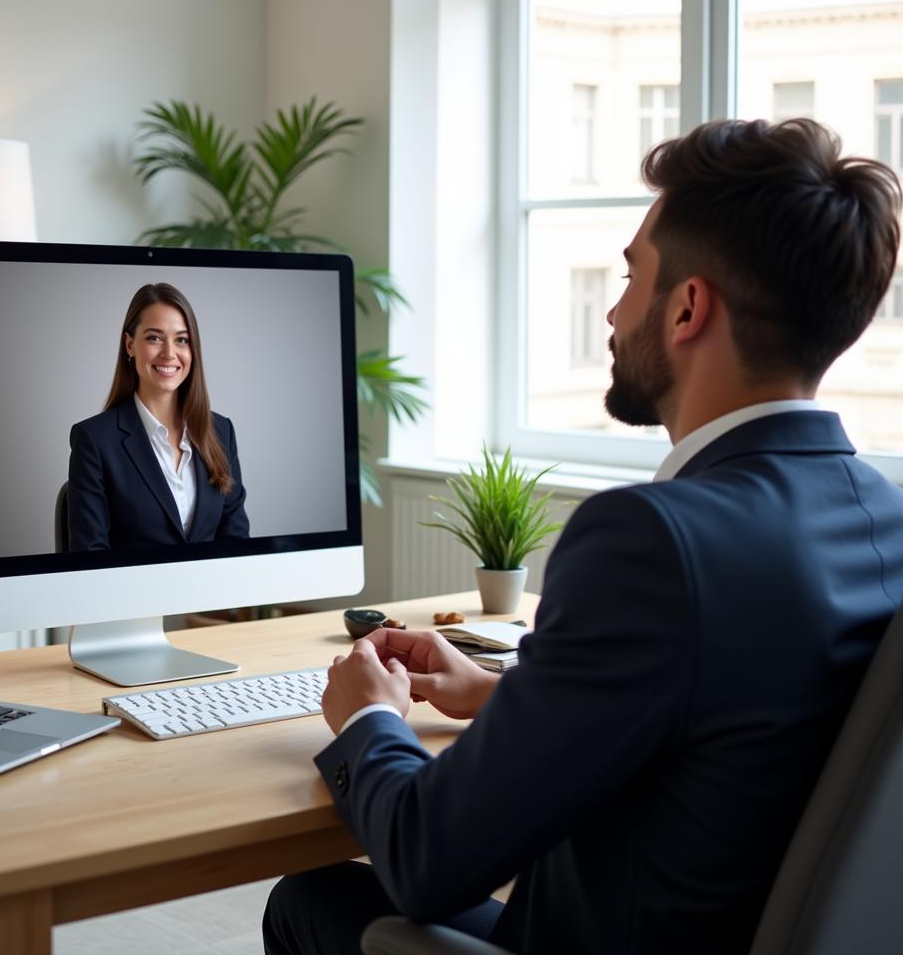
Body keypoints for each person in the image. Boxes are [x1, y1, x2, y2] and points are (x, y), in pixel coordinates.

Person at [262, 118, 903, 955]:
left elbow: (428, 859)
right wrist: (498, 696)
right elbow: (736, 723)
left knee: (313, 901)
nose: (610, 308)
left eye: (632, 273)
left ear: (687, 307)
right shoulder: (881, 515)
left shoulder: (651, 540)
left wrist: (367, 721)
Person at [67, 282, 249, 550]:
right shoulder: (94, 440)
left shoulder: (221, 431)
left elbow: (236, 545)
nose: (169, 353)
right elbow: (90, 558)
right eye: (154, 337)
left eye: (182, 340)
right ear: (130, 345)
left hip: (212, 592)